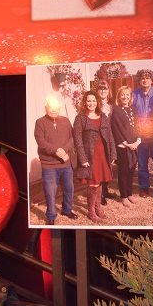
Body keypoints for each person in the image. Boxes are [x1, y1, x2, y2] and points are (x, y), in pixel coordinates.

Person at [73, 91, 117, 222]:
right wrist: (83, 158)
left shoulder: (103, 116)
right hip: (90, 157)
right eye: (88, 101)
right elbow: (78, 140)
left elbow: (110, 136)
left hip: (103, 155)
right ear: (84, 102)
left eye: (93, 101)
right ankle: (91, 212)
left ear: (97, 102)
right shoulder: (80, 118)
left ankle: (98, 208)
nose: (91, 103)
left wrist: (113, 153)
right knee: (93, 184)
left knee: (100, 182)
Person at [34, 96, 78, 225]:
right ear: (46, 108)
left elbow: (72, 138)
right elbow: (41, 142)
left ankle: (67, 210)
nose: (53, 110)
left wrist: (64, 150)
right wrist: (57, 151)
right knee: (50, 191)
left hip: (65, 164)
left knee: (69, 188)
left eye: (56, 107)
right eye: (50, 107)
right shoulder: (40, 122)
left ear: (59, 108)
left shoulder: (65, 121)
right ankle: (51, 215)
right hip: (49, 165)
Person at [132, 69, 153, 198]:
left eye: (147, 78)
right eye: (142, 78)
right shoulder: (134, 95)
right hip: (141, 135)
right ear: (139, 81)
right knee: (142, 162)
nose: (145, 80)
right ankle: (144, 187)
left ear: (152, 80)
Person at [111, 85, 141, 207]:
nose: (125, 97)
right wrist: (128, 144)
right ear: (119, 96)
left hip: (134, 146)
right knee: (123, 171)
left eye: (127, 94)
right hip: (123, 147)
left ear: (130, 96)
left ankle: (129, 193)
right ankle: (123, 196)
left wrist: (137, 142)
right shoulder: (116, 110)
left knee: (131, 171)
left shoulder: (133, 109)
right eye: (122, 94)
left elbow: (138, 126)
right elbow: (117, 129)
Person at [96, 79, 116, 205]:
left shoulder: (112, 106)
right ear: (97, 91)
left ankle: (105, 189)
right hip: (99, 138)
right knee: (100, 166)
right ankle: (100, 194)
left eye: (105, 89)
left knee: (108, 165)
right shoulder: (95, 104)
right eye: (100, 89)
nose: (103, 91)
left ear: (108, 91)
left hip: (110, 138)